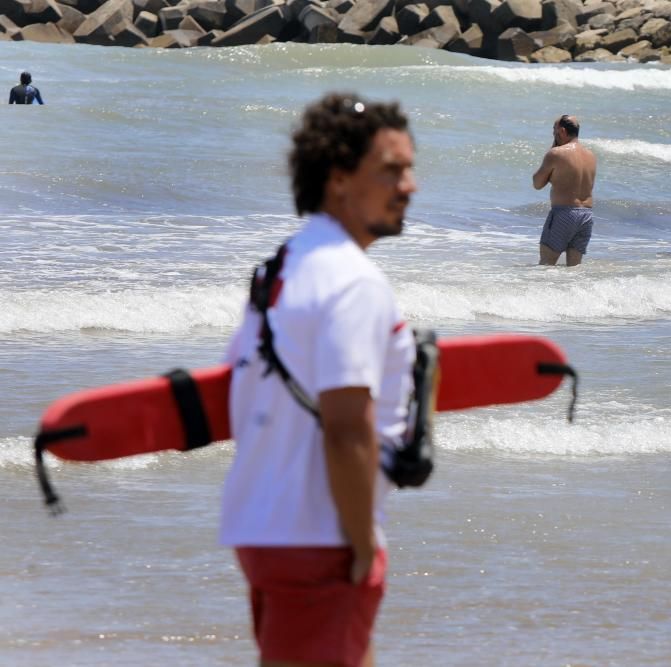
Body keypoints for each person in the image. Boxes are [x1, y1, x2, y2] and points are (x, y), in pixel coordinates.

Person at [220, 92, 417, 667]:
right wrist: (360, 543)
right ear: (338, 180)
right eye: (393, 171)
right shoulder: (353, 282)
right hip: (320, 534)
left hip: (263, 524)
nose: (410, 185)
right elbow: (347, 428)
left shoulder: (281, 266)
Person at [532, 114, 597, 267]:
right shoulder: (591, 156)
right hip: (586, 216)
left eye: (554, 130)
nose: (552, 134)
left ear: (561, 131)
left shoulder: (556, 153)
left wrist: (553, 149)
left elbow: (537, 183)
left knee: (546, 265)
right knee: (574, 269)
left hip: (564, 214)